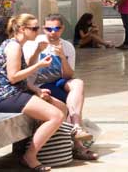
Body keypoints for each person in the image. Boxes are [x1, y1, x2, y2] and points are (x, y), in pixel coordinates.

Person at [0, 14, 69, 171]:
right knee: (56, 116)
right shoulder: (13, 46)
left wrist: (37, 90)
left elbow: (21, 76)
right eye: (34, 28)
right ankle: (30, 156)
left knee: (61, 107)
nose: (37, 31)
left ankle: (51, 148)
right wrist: (38, 65)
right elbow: (13, 77)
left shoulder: (17, 45)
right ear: (21, 29)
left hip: (18, 92)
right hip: (7, 96)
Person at [23, 14, 97, 159]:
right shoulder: (33, 44)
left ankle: (76, 127)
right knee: (68, 107)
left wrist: (62, 57)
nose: (52, 32)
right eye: (48, 29)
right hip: (37, 86)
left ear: (62, 29)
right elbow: (25, 71)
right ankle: (78, 146)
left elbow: (68, 75)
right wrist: (38, 52)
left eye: (56, 28)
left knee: (78, 83)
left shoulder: (67, 46)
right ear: (43, 29)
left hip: (57, 83)